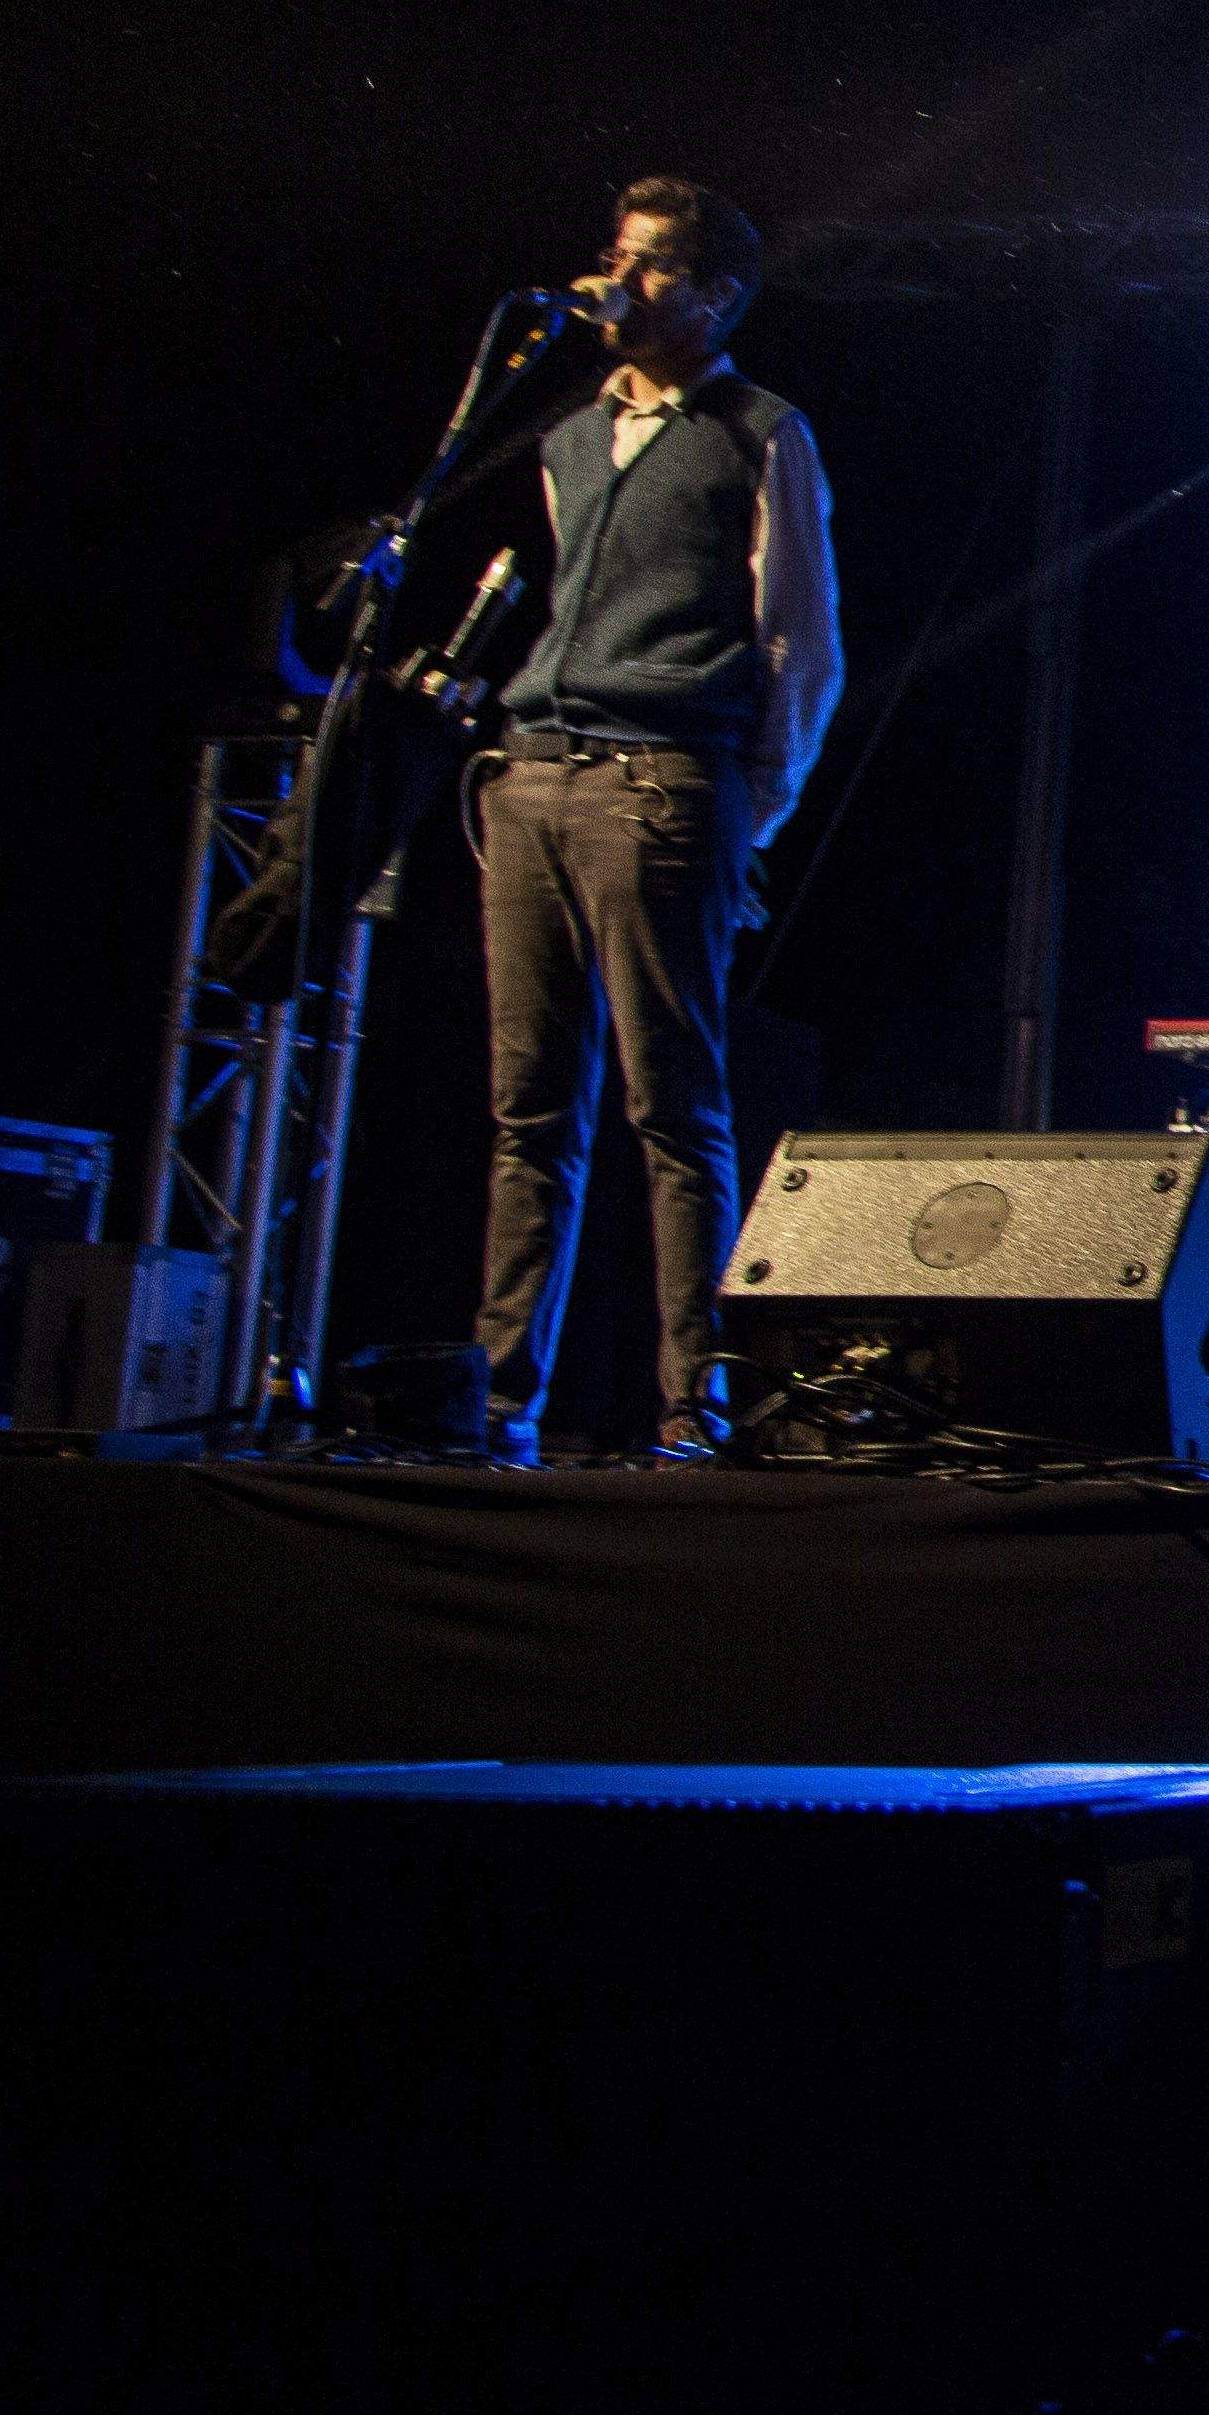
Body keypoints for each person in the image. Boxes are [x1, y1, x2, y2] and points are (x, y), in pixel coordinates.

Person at [471, 174, 839, 1458]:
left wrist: (754, 817)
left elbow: (798, 643)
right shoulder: (568, 436)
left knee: (671, 1107)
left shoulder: (758, 430)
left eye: (650, 267)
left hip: (658, 782)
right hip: (535, 776)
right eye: (613, 257)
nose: (619, 285)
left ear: (715, 293)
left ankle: (696, 1402)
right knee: (529, 1109)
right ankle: (499, 1396)